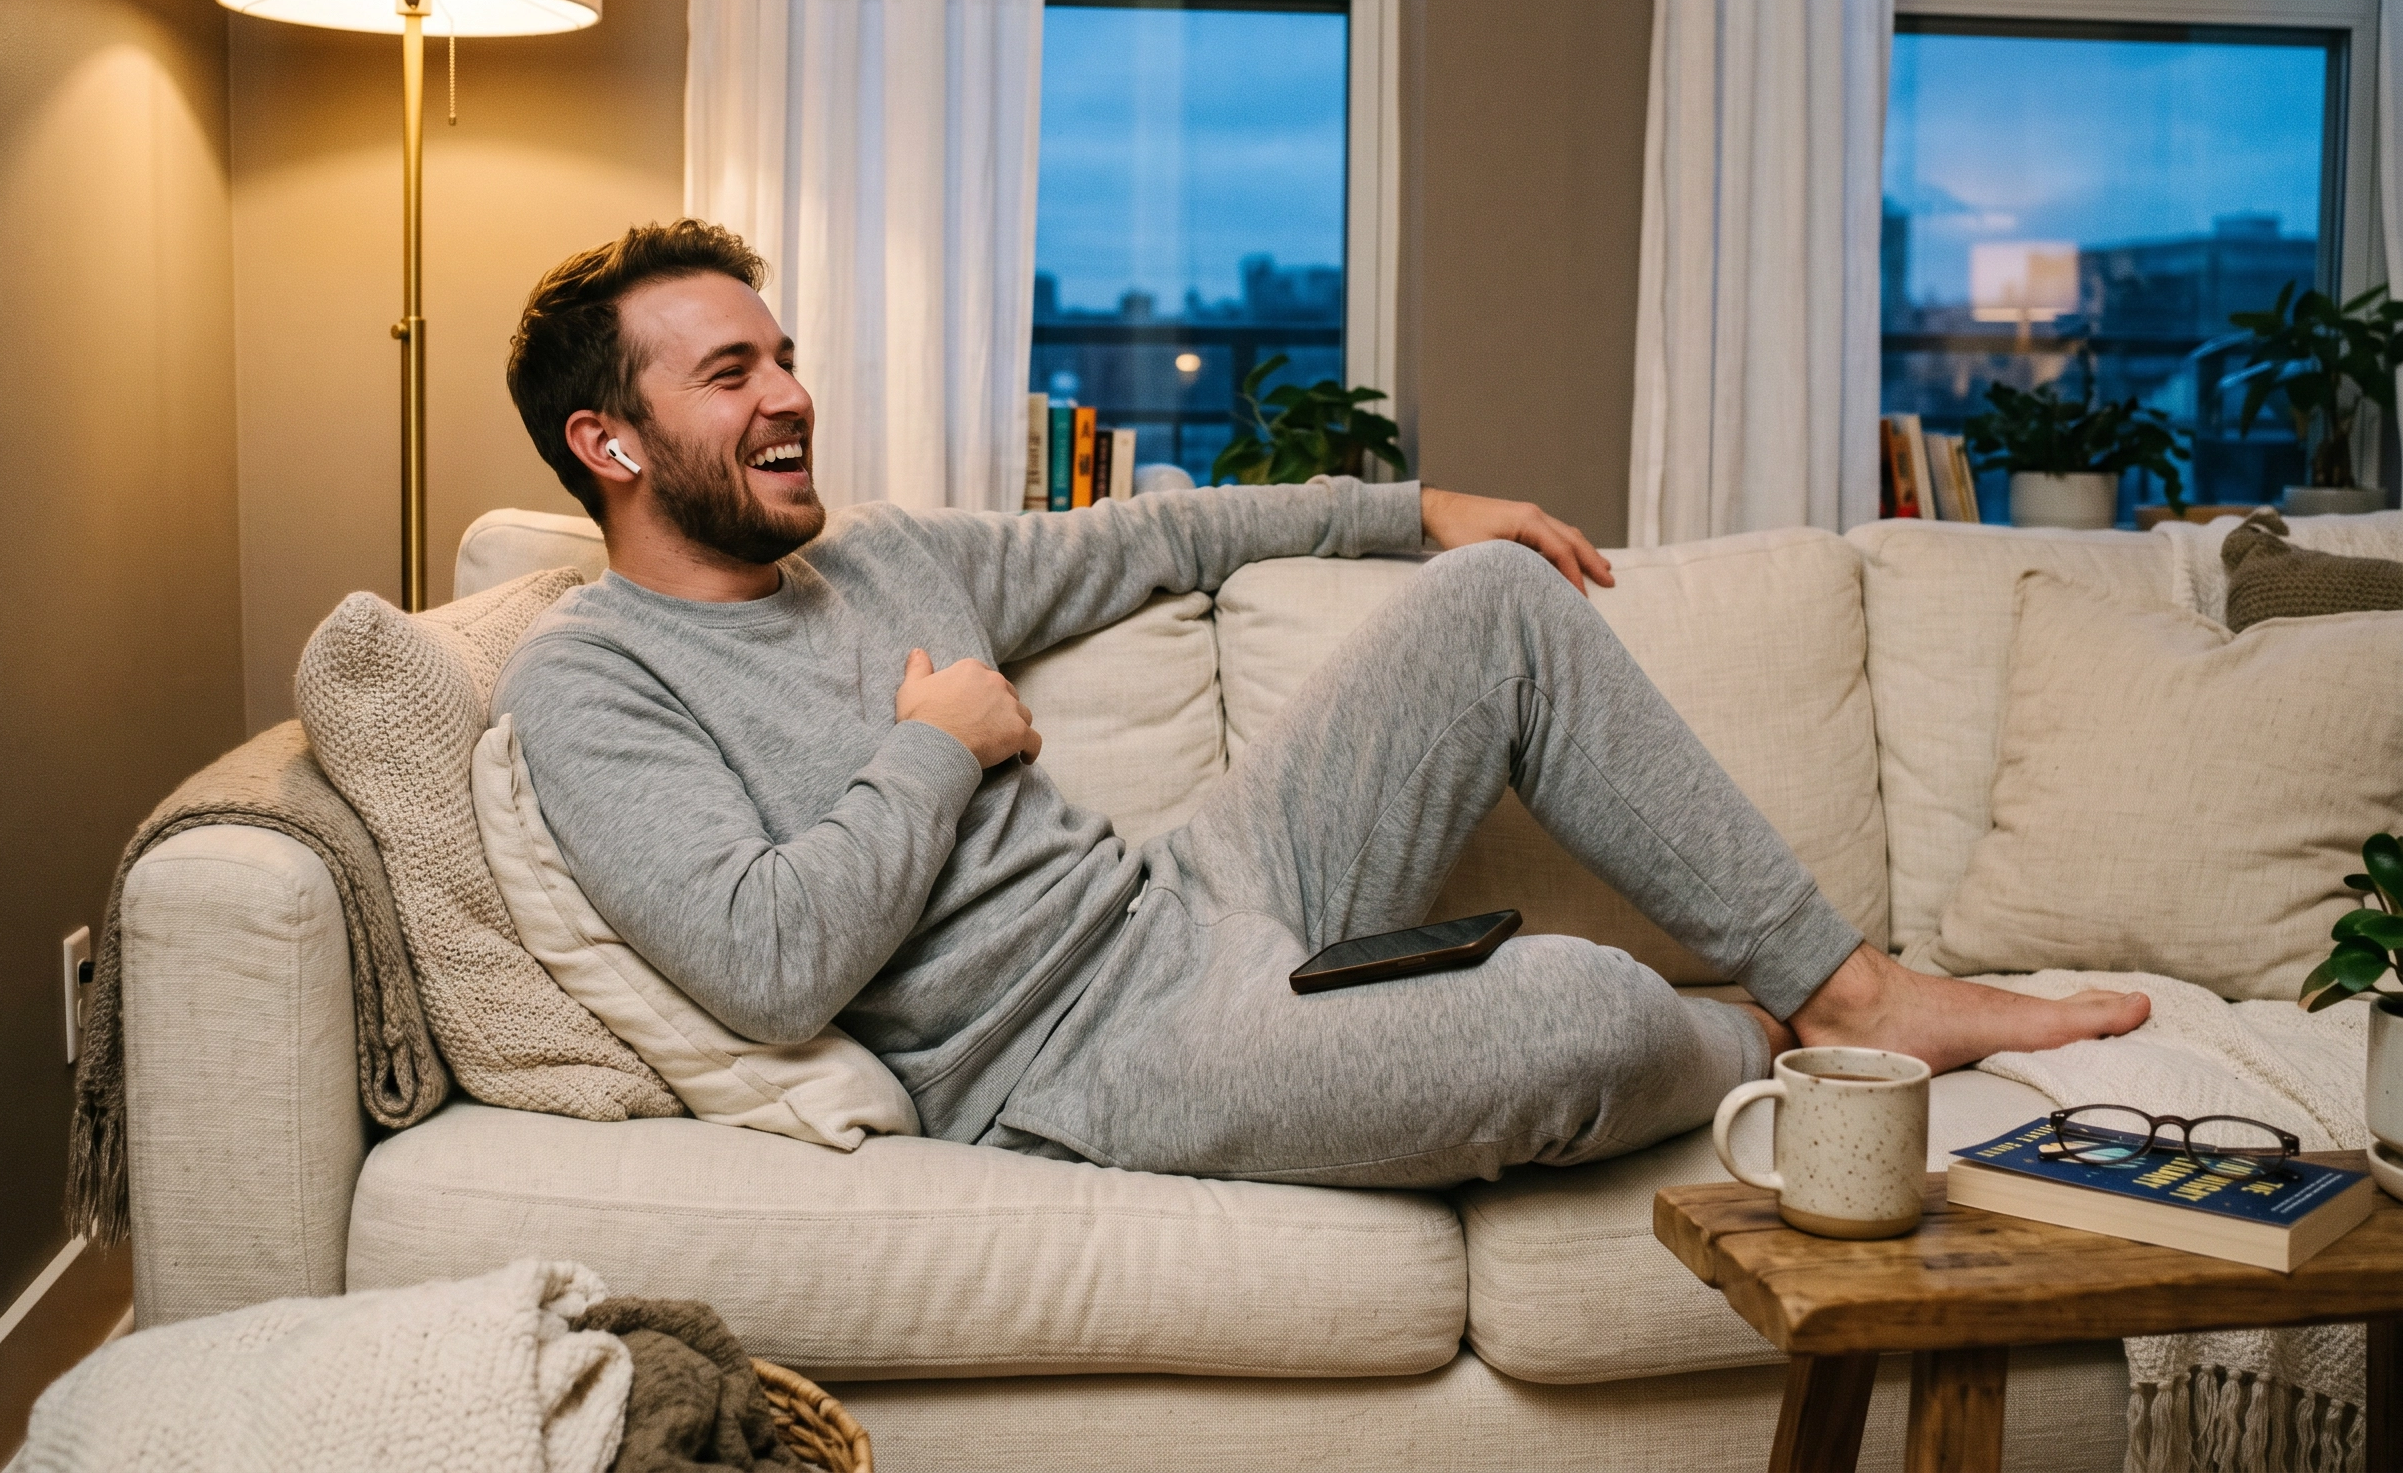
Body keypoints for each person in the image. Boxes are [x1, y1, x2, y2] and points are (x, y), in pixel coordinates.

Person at [493, 219, 2147, 1189]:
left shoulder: (885, 557)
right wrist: (937, 744)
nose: (790, 394)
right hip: (1085, 1058)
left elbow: (1161, 538)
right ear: (608, 443)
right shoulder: (594, 676)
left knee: (1495, 603)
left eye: (783, 355)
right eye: (732, 374)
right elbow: (768, 964)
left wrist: (1417, 511)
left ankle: (1850, 991)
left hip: (1195, 890)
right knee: (1582, 1015)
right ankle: (1769, 1037)